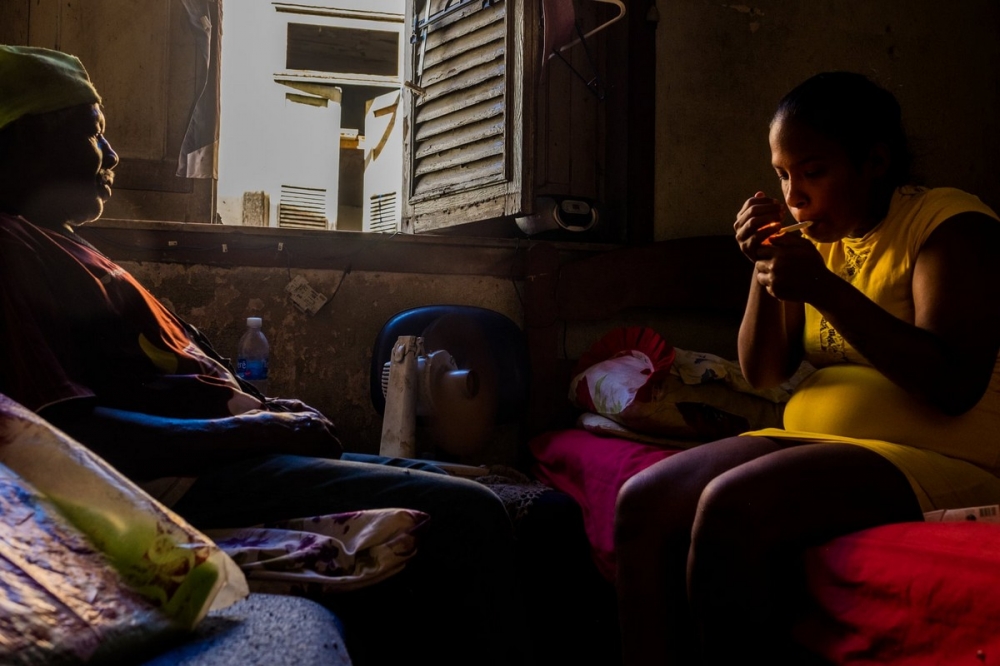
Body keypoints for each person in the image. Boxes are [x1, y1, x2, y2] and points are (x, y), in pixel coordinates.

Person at [0, 45, 529, 666]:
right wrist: (257, 431)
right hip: (182, 482)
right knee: (472, 512)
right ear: (22, 141)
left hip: (229, 456)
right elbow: (68, 435)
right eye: (93, 133)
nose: (112, 155)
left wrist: (268, 415)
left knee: (519, 498)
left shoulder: (61, 245)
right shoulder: (8, 247)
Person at [614, 71, 1000, 665]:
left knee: (732, 507)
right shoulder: (819, 239)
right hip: (817, 439)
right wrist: (765, 265)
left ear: (875, 163)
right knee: (643, 500)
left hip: (945, 454)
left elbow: (953, 383)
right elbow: (765, 371)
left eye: (813, 172)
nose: (794, 197)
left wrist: (824, 289)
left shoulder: (948, 224)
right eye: (782, 175)